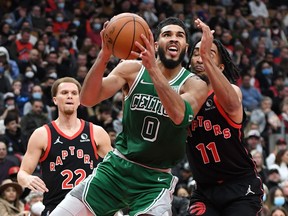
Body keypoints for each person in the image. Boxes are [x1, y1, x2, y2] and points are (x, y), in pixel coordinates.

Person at [50, 17, 208, 215]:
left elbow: (178, 116)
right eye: (167, 34)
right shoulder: (131, 70)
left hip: (154, 181)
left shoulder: (194, 84)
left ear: (186, 47)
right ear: (156, 44)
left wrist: (153, 69)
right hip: (116, 168)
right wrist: (104, 55)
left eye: (180, 36)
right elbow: (88, 99)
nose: (174, 39)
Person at [186, 18, 263, 215]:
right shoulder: (182, 98)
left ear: (220, 67)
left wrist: (205, 54)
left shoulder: (232, 92)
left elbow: (231, 102)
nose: (200, 57)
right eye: (196, 54)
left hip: (240, 186)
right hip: (204, 190)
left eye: (208, 54)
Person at [17, 77, 113, 215]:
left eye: (74, 93)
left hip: (89, 207)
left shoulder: (96, 132)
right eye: (64, 92)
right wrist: (27, 178)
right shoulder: (42, 134)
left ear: (79, 100)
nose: (69, 96)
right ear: (55, 100)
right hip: (56, 207)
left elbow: (116, 168)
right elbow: (22, 173)